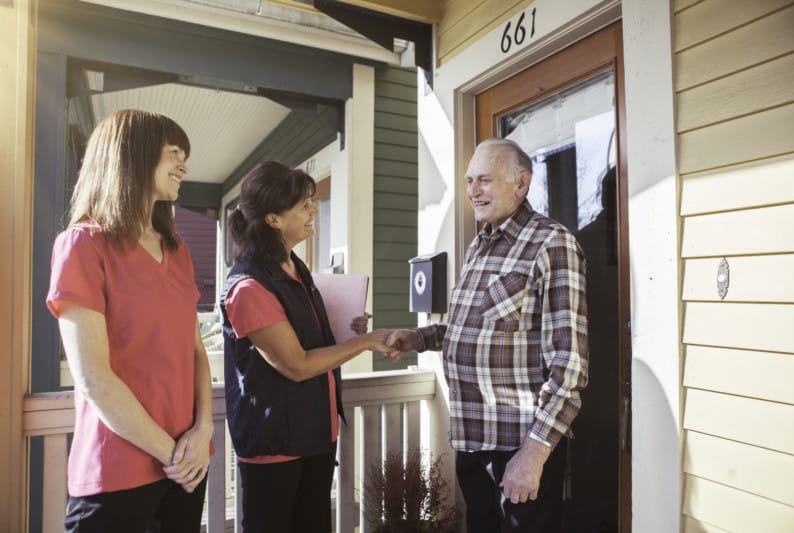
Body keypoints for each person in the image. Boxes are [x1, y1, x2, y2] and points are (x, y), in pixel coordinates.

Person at [386, 138, 589, 532]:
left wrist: (533, 454)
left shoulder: (551, 244)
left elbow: (570, 365)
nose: (473, 191)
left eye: (484, 180)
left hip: (520, 445)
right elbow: (480, 329)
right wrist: (419, 338)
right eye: (468, 181)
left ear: (522, 184)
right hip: (474, 440)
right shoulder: (480, 245)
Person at [47, 109, 213, 532]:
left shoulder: (177, 251)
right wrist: (172, 453)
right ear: (133, 156)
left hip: (187, 468)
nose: (184, 165)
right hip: (117, 474)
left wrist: (202, 430)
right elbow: (93, 379)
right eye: (174, 152)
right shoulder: (82, 246)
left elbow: (195, 351)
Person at [220, 160, 393, 533]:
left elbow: (305, 334)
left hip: (314, 432)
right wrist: (365, 343)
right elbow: (296, 364)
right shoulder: (248, 287)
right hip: (276, 442)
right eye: (304, 205)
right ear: (273, 220)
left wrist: (348, 328)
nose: (314, 209)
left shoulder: (293, 267)